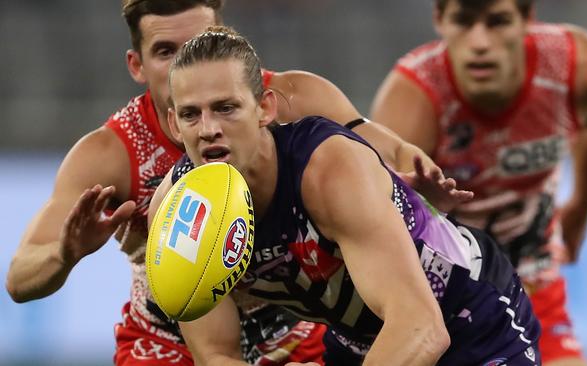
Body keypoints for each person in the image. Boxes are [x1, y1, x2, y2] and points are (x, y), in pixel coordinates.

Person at [5, 1, 471, 365]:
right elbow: (19, 279)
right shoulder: (112, 152)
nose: (184, 66)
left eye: (198, 44)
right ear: (135, 64)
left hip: (295, 334)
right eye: (167, 53)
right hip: (171, 343)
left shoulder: (294, 98)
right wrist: (63, 255)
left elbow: (390, 152)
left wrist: (412, 189)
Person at [151, 26, 540, 366]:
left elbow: (421, 328)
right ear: (173, 124)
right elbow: (215, 356)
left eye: (226, 108)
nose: (208, 130)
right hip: (361, 341)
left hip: (469, 317)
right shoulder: (175, 214)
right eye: (190, 115)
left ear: (265, 108)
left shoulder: (328, 170)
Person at [370, 0, 587, 364]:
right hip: (447, 298)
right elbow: (377, 225)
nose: (480, 42)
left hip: (533, 285)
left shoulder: (581, 69)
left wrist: (582, 203)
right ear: (440, 21)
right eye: (464, 21)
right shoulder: (412, 101)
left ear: (527, 21)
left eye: (498, 22)